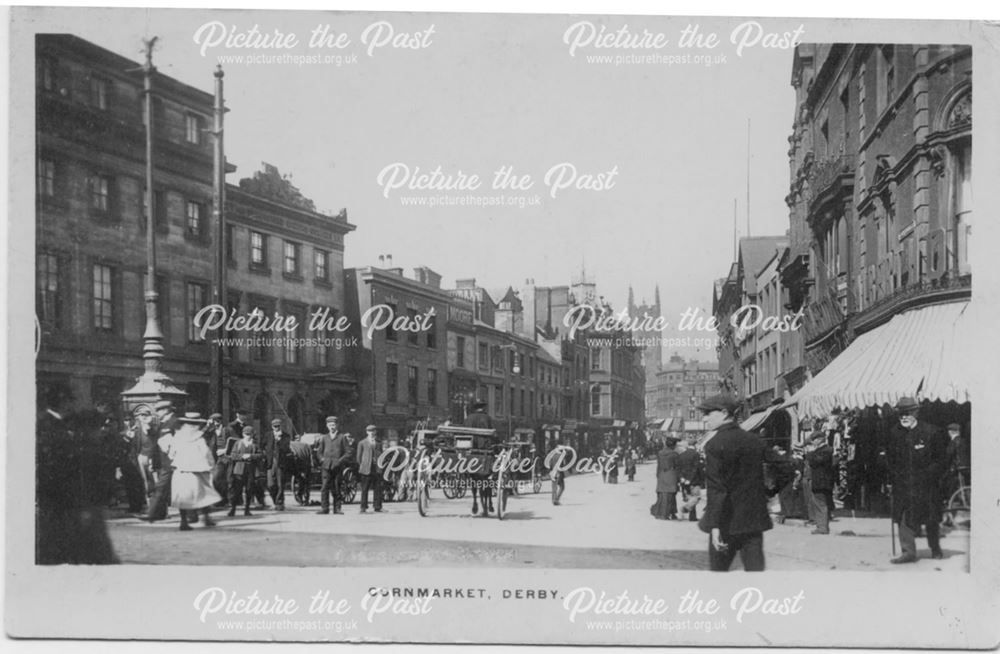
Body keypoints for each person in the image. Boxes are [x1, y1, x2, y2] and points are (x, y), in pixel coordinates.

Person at [697, 394, 772, 571]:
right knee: (756, 577)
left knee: (719, 576)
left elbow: (717, 489)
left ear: (724, 413)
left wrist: (714, 525)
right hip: (753, 522)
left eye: (708, 413)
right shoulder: (754, 441)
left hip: (725, 522)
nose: (705, 418)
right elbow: (784, 468)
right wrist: (769, 493)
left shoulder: (715, 444)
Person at [885, 397, 949, 563]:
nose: (903, 417)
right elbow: (889, 459)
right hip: (903, 484)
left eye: (907, 414)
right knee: (903, 518)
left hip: (927, 485)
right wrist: (892, 476)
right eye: (900, 414)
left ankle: (935, 547)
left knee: (931, 518)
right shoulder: (894, 433)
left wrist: (929, 475)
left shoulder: (932, 432)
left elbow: (942, 460)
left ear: (916, 413)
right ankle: (908, 552)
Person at [160, 413, 221, 530]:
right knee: (204, 494)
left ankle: (184, 521)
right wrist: (212, 465)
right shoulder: (199, 439)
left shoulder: (177, 437)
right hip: (198, 471)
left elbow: (171, 453)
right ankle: (206, 518)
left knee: (183, 496)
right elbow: (206, 453)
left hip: (182, 471)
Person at [144, 400, 179, 522]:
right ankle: (161, 514)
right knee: (163, 489)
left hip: (171, 462)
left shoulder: (175, 422)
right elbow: (155, 440)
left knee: (160, 488)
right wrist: (149, 428)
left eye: (159, 410)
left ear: (166, 410)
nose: (157, 413)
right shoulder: (163, 423)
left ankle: (151, 514)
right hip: (162, 462)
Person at [316, 416, 352, 515]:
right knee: (324, 487)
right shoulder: (324, 438)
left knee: (336, 487)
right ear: (327, 426)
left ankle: (337, 508)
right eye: (330, 425)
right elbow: (319, 452)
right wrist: (322, 460)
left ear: (337, 426)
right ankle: (324, 508)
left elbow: (348, 452)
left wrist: (340, 461)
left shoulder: (342, 437)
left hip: (337, 467)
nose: (332, 427)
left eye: (334, 425)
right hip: (326, 466)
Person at [226, 426, 263, 517]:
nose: (248, 436)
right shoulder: (238, 443)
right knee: (236, 490)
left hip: (251, 469)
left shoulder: (255, 444)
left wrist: (251, 456)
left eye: (249, 434)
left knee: (249, 490)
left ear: (252, 435)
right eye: (246, 434)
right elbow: (233, 455)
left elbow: (261, 455)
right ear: (243, 434)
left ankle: (247, 509)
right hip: (239, 470)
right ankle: (233, 509)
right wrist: (242, 456)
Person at [804, 432, 835, 535]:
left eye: (814, 440)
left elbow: (815, 462)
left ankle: (822, 528)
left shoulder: (825, 450)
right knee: (820, 503)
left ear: (820, 439)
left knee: (820, 504)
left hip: (821, 481)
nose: (813, 442)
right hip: (822, 481)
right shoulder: (823, 450)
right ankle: (822, 526)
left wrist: (810, 453)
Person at [264, 418, 294, 511]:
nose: (276, 428)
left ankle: (280, 503)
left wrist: (279, 440)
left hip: (281, 462)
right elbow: (263, 446)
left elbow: (285, 448)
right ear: (272, 426)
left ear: (280, 426)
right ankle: (275, 500)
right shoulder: (268, 435)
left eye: (278, 426)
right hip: (270, 462)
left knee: (280, 483)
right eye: (274, 426)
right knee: (270, 485)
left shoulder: (285, 436)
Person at [677, 436, 705, 522]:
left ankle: (692, 517)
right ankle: (685, 508)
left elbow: (679, 468)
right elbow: (696, 468)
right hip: (694, 480)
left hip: (684, 480)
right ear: (695, 444)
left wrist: (682, 478)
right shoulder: (696, 454)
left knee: (690, 497)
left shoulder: (681, 455)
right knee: (696, 497)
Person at [357, 425, 384, 513]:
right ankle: (363, 507)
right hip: (366, 468)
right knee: (365, 488)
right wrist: (362, 465)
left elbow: (382, 455)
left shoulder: (379, 443)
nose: (371, 433)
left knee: (378, 488)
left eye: (373, 431)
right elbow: (359, 457)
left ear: (375, 432)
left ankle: (377, 506)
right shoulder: (362, 443)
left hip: (376, 468)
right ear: (366, 432)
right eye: (369, 431)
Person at [650, 437, 680, 519]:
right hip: (671, 475)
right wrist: (679, 478)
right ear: (673, 445)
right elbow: (677, 467)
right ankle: (670, 513)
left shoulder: (660, 453)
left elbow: (658, 466)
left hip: (662, 474)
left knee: (662, 495)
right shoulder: (674, 454)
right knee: (671, 495)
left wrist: (658, 476)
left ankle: (660, 512)